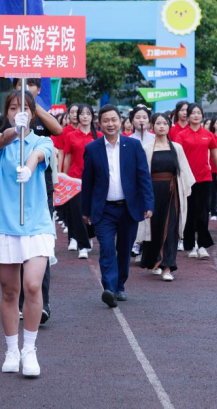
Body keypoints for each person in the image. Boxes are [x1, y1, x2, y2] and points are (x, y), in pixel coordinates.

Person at [0, 90, 55, 377]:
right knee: (10, 290)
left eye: (24, 108)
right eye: (13, 108)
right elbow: (0, 141)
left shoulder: (43, 141)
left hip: (36, 224)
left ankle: (30, 350)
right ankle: (12, 349)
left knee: (33, 286)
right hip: (4, 223)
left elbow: (39, 155)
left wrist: (29, 166)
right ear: (7, 112)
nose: (18, 112)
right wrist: (15, 130)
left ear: (33, 113)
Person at [81, 105, 153, 307]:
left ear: (120, 122)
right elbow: (87, 182)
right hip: (104, 209)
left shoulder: (133, 146)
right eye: (106, 121)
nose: (110, 124)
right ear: (100, 124)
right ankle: (109, 289)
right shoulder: (92, 148)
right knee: (106, 248)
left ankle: (120, 285)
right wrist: (85, 210)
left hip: (129, 208)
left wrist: (148, 203)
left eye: (113, 120)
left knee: (124, 249)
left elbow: (144, 177)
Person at [11, 79, 63, 324]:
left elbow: (58, 131)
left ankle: (42, 303)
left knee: (40, 244)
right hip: (14, 187)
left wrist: (34, 107)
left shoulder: (41, 114)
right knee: (18, 244)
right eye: (21, 82)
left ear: (39, 88)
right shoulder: (10, 115)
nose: (26, 86)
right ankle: (20, 302)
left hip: (41, 186)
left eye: (31, 83)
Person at [138, 113, 194, 281]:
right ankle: (155, 261)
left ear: (169, 126)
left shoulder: (176, 148)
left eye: (165, 123)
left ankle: (167, 267)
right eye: (158, 123)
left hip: (172, 192)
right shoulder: (146, 148)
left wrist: (184, 190)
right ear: (152, 126)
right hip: (152, 191)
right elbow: (142, 174)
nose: (161, 126)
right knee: (154, 227)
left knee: (170, 228)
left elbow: (184, 170)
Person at [177, 104, 217, 259]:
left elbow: (215, 155)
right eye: (193, 113)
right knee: (189, 213)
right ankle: (190, 245)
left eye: (198, 113)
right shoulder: (182, 135)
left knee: (203, 212)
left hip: (204, 178)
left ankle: (202, 246)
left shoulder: (208, 135)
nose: (196, 115)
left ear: (202, 116)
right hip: (187, 179)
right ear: (188, 116)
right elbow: (178, 157)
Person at [62, 104, 101, 259]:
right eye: (82, 114)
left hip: (95, 180)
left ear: (92, 117)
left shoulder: (99, 136)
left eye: (88, 113)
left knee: (93, 211)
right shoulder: (71, 136)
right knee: (78, 213)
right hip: (75, 179)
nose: (85, 116)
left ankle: (89, 236)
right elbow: (67, 158)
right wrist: (64, 178)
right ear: (77, 117)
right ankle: (82, 245)